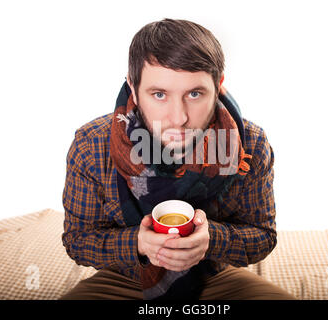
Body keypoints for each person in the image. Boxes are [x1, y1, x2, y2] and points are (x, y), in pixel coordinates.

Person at [59, 18, 296, 300]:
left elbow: (263, 237)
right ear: (133, 88)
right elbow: (78, 241)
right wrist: (138, 243)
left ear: (218, 86)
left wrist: (212, 241)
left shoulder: (251, 144)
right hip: (127, 276)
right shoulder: (92, 145)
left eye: (194, 94)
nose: (179, 118)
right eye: (159, 94)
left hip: (213, 276)